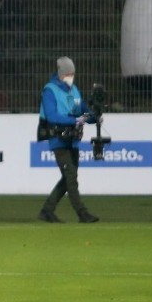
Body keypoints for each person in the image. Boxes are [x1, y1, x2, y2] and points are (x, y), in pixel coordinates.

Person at [37, 56, 100, 223]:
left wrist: (94, 116)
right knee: (71, 176)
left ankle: (47, 211)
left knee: (68, 178)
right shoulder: (49, 90)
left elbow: (82, 109)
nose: (71, 76)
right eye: (69, 73)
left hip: (72, 138)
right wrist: (75, 120)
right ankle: (82, 213)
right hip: (58, 139)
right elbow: (52, 116)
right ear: (61, 73)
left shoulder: (74, 90)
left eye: (73, 73)